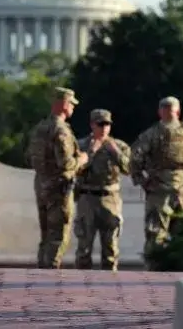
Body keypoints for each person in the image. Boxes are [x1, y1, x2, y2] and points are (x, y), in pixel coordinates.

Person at [130, 96, 183, 257]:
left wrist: (142, 180)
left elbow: (135, 157)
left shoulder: (152, 134)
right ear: (178, 111)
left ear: (160, 112)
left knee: (155, 234)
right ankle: (182, 268)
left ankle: (155, 269)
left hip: (158, 189)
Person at [25, 87, 87, 269]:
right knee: (58, 235)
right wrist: (82, 160)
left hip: (41, 185)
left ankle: (42, 269)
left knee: (46, 235)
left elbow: (29, 157)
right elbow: (66, 163)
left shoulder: (40, 128)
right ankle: (49, 275)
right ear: (64, 104)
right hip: (58, 189)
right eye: (72, 104)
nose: (73, 108)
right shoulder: (61, 130)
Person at [74, 109, 131, 271]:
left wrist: (116, 153)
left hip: (110, 198)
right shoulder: (81, 145)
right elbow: (76, 168)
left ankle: (110, 286)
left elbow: (129, 168)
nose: (104, 128)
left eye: (107, 124)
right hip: (88, 198)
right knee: (84, 248)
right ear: (92, 125)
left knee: (111, 249)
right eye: (100, 124)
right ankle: (82, 284)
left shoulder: (119, 146)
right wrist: (92, 152)